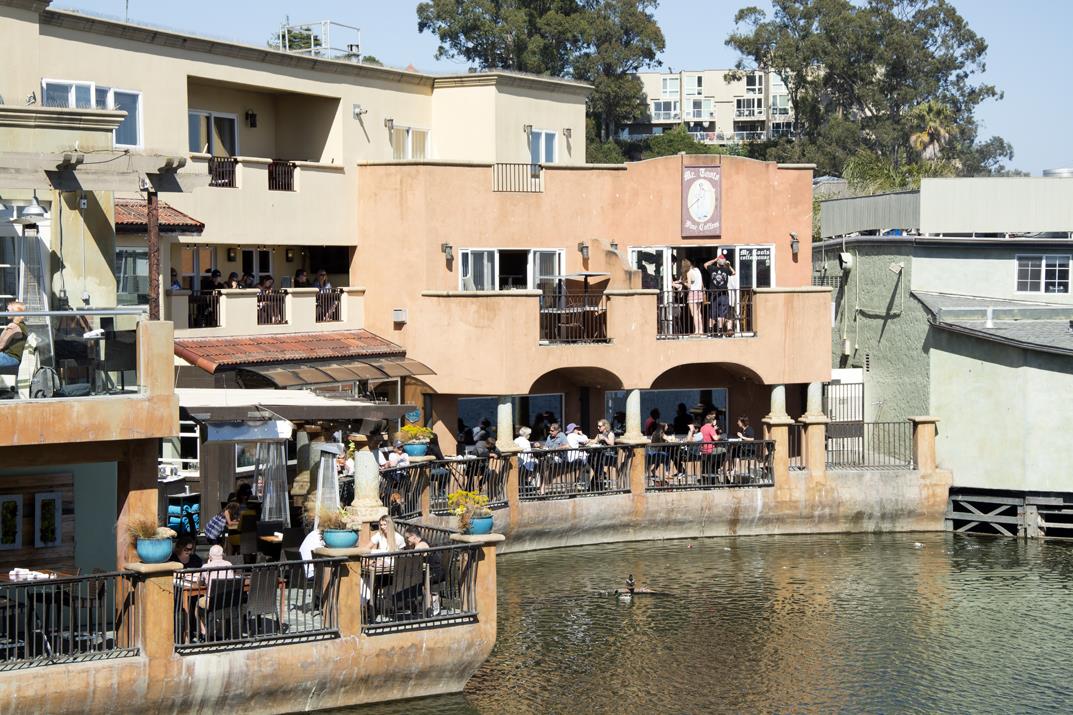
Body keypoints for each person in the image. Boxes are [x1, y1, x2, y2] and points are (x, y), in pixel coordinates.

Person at [704, 252, 736, 335]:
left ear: (718, 262)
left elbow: (705, 264)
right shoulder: (726, 270)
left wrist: (715, 259)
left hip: (714, 295)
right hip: (724, 295)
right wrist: (728, 265)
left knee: (712, 314)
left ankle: (710, 332)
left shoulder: (712, 269)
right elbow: (734, 272)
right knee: (721, 314)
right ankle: (720, 332)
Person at [676, 258, 705, 335]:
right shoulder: (697, 270)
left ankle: (697, 331)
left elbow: (689, 286)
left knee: (694, 313)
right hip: (699, 293)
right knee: (699, 313)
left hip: (692, 294)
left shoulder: (689, 272)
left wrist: (683, 282)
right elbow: (701, 283)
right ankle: (701, 330)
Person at [0, 301, 28, 370]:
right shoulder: (22, 325)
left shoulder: (12, 326)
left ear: (15, 312)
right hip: (15, 358)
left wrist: (5, 330)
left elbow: (0, 346)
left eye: (8, 310)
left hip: (10, 358)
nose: (6, 312)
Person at [515, 426, 539, 493]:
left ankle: (528, 482)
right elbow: (529, 454)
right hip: (524, 464)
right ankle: (531, 481)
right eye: (529, 434)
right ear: (527, 434)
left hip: (518, 463)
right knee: (538, 463)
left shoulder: (516, 440)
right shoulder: (526, 442)